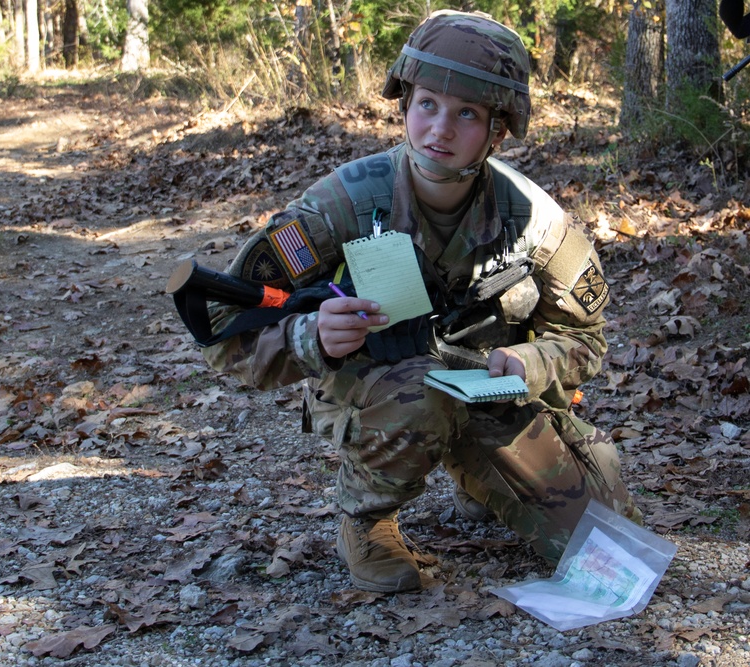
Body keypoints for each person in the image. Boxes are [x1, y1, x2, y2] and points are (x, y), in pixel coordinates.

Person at [198, 10, 641, 593]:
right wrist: (311, 337)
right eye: (428, 103)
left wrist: (537, 363)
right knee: (420, 397)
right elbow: (223, 327)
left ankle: (476, 472)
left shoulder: (535, 221)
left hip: (491, 397)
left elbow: (587, 339)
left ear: (497, 132)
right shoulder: (341, 205)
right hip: (384, 397)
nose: (441, 129)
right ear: (404, 103)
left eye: (467, 114)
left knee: (612, 542)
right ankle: (366, 518)